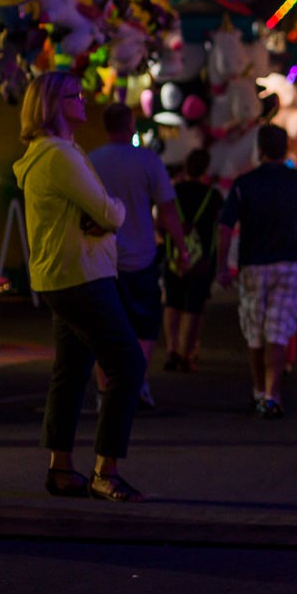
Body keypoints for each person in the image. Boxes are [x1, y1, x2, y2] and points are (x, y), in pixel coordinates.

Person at [12, 73, 147, 501]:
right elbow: (109, 212)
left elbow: (91, 212)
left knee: (70, 372)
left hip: (59, 274)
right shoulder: (59, 157)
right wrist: (114, 212)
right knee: (128, 366)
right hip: (83, 275)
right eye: (74, 95)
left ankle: (61, 467)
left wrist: (98, 216)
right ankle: (105, 471)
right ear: (54, 105)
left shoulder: (43, 154)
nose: (84, 100)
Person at [88, 101, 190, 409]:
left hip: (102, 256)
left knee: (104, 326)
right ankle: (136, 384)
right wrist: (181, 247)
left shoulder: (91, 161)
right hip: (142, 254)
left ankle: (105, 389)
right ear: (131, 125)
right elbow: (168, 209)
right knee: (144, 326)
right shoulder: (147, 161)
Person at [217, 124, 297, 417]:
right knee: (278, 330)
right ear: (285, 148)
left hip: (253, 264)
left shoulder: (244, 184)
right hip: (290, 263)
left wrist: (223, 265)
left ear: (259, 149)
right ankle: (272, 395)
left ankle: (259, 390)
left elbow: (225, 228)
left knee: (255, 332)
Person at [162, 148, 224, 372]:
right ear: (205, 169)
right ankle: (185, 353)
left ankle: (170, 350)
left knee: (172, 304)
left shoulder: (172, 191)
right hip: (201, 260)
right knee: (193, 308)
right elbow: (220, 226)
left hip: (173, 257)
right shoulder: (212, 195)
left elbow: (161, 220)